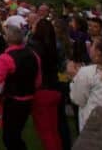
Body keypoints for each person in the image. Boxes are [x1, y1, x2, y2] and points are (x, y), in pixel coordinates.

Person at [28, 18, 63, 150]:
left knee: (46, 130)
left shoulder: (34, 47)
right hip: (54, 87)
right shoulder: (53, 45)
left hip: (42, 90)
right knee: (53, 128)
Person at [68, 36, 102, 132]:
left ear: (98, 52)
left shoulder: (87, 72)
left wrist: (74, 77)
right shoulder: (88, 71)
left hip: (93, 123)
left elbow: (78, 99)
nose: (90, 48)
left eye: (92, 45)